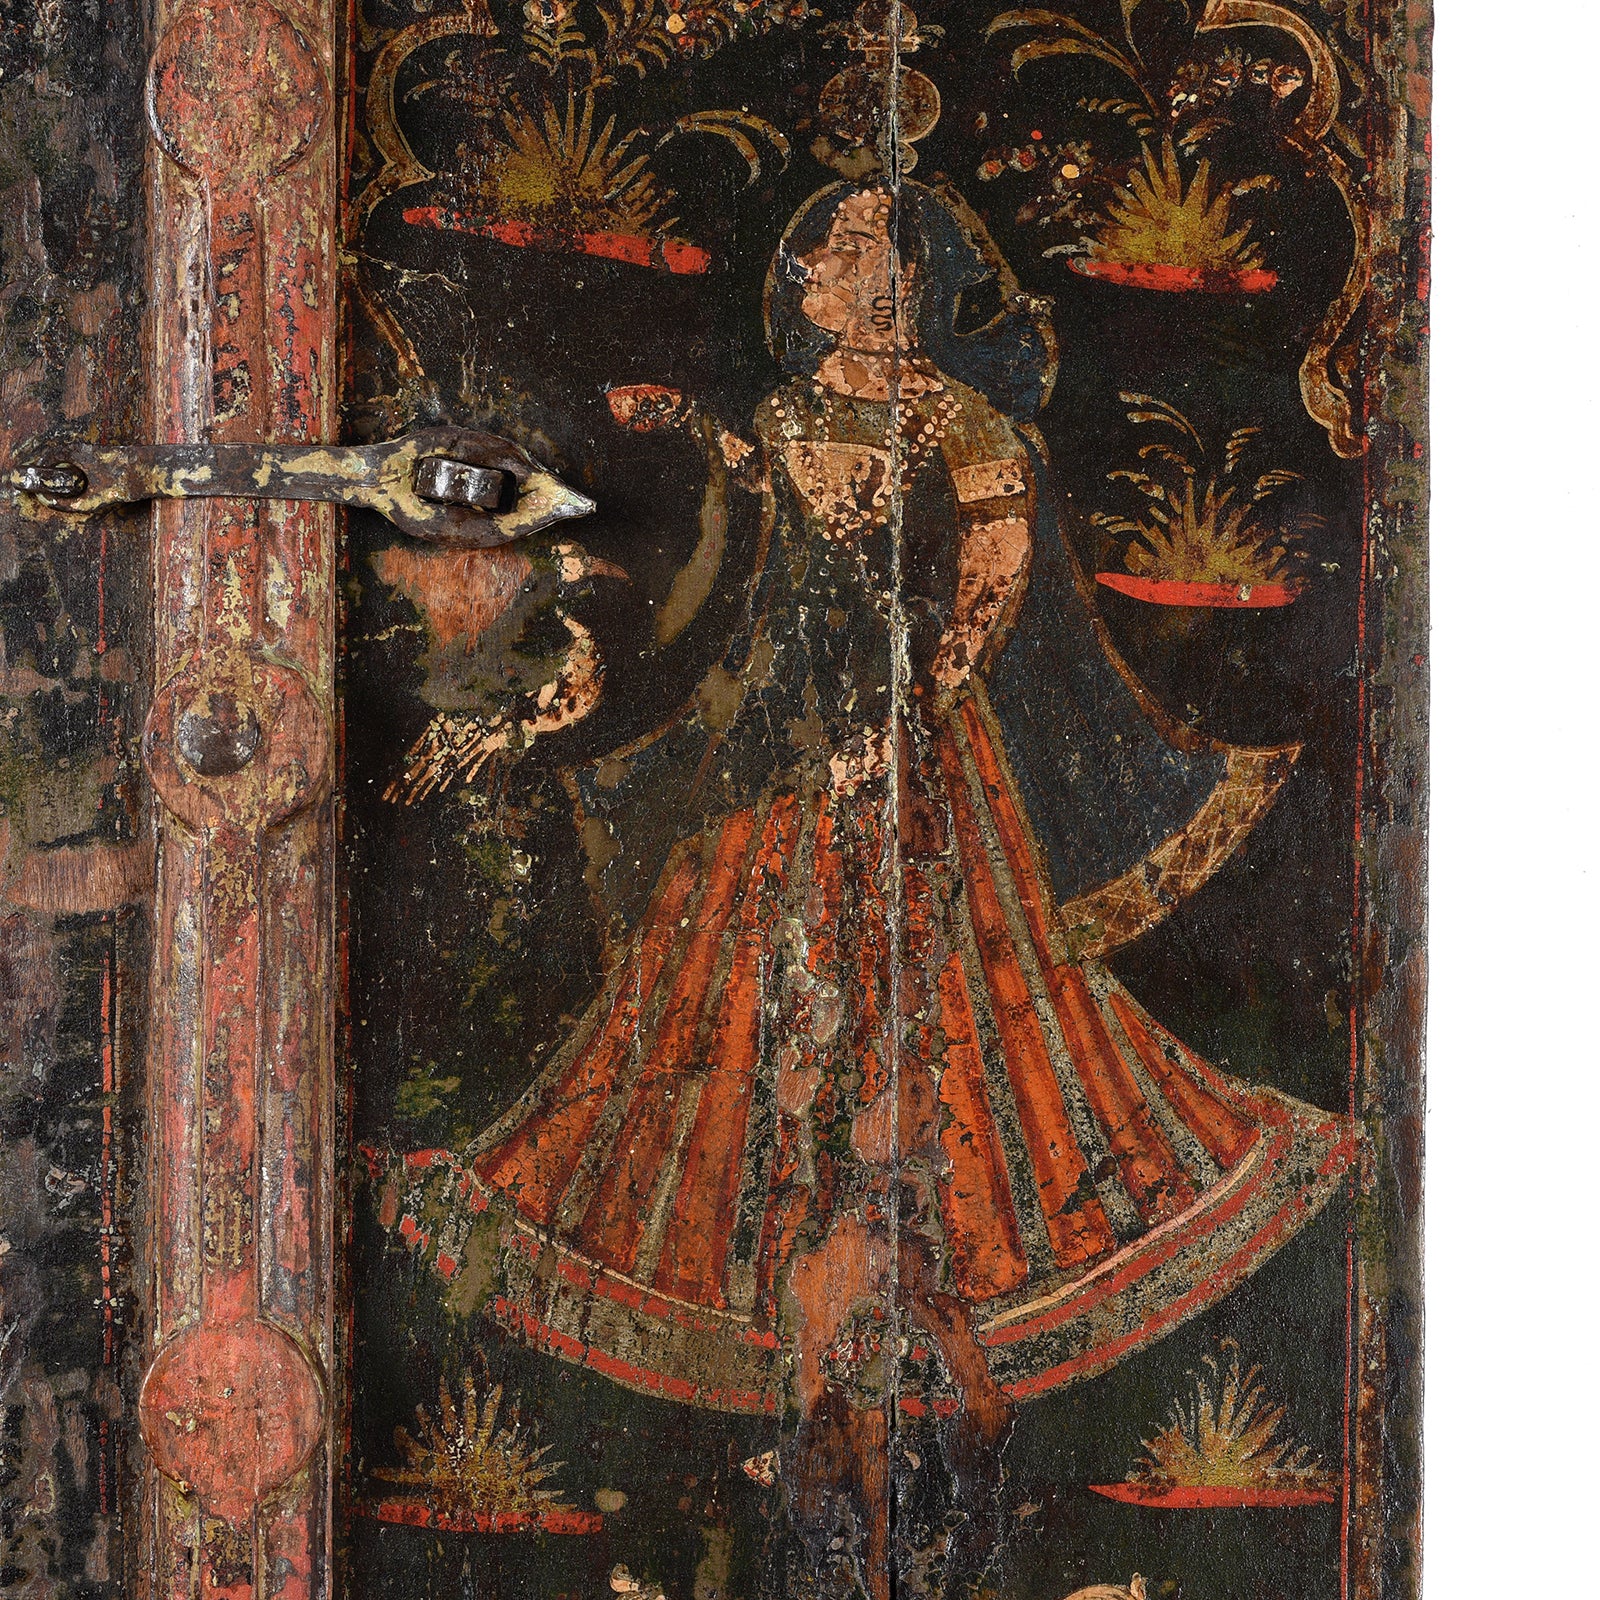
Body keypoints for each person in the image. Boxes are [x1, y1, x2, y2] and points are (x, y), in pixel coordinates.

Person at [380, 182, 1352, 1594]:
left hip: (923, 758)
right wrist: (685, 443)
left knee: (971, 1014)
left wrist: (910, 717)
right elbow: (739, 565)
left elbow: (992, 589)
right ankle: (732, 1263)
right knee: (707, 1000)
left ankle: (978, 1278)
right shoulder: (782, 417)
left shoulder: (968, 423)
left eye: (872, 250)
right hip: (782, 741)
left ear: (919, 278)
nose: (844, 270)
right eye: (829, 251)